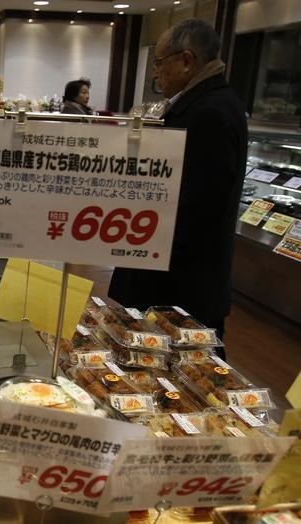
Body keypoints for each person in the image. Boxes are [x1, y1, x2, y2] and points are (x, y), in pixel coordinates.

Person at [108, 19, 247, 359]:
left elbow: (196, 208)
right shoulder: (206, 103)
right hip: (175, 277)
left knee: (189, 371)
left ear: (186, 60)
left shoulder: (210, 112)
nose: (156, 73)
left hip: (179, 284)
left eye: (159, 62)